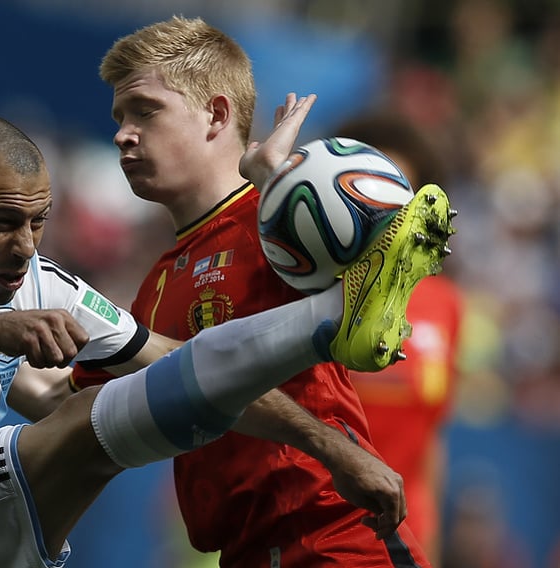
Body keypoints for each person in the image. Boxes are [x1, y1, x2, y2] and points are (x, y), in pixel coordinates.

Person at [0, 106, 453, 567]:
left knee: (109, 399)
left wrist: (329, 445)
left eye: (39, 224)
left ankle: (333, 318)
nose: (25, 248)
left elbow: (183, 368)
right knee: (81, 422)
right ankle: (326, 318)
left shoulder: (41, 284)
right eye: (5, 224)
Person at [71, 16, 440, 567]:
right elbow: (74, 402)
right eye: (120, 117)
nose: (124, 133)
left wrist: (276, 183)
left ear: (217, 114)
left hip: (335, 534)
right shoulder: (156, 285)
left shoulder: (288, 230)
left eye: (146, 111)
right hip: (242, 553)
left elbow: (395, 247)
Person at [336, 111, 464, 567]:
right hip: (316, 533)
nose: (390, 214)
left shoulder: (446, 304)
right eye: (372, 191)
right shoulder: (311, 291)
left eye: (402, 196)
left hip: (408, 540)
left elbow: (433, 440)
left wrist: (435, 548)